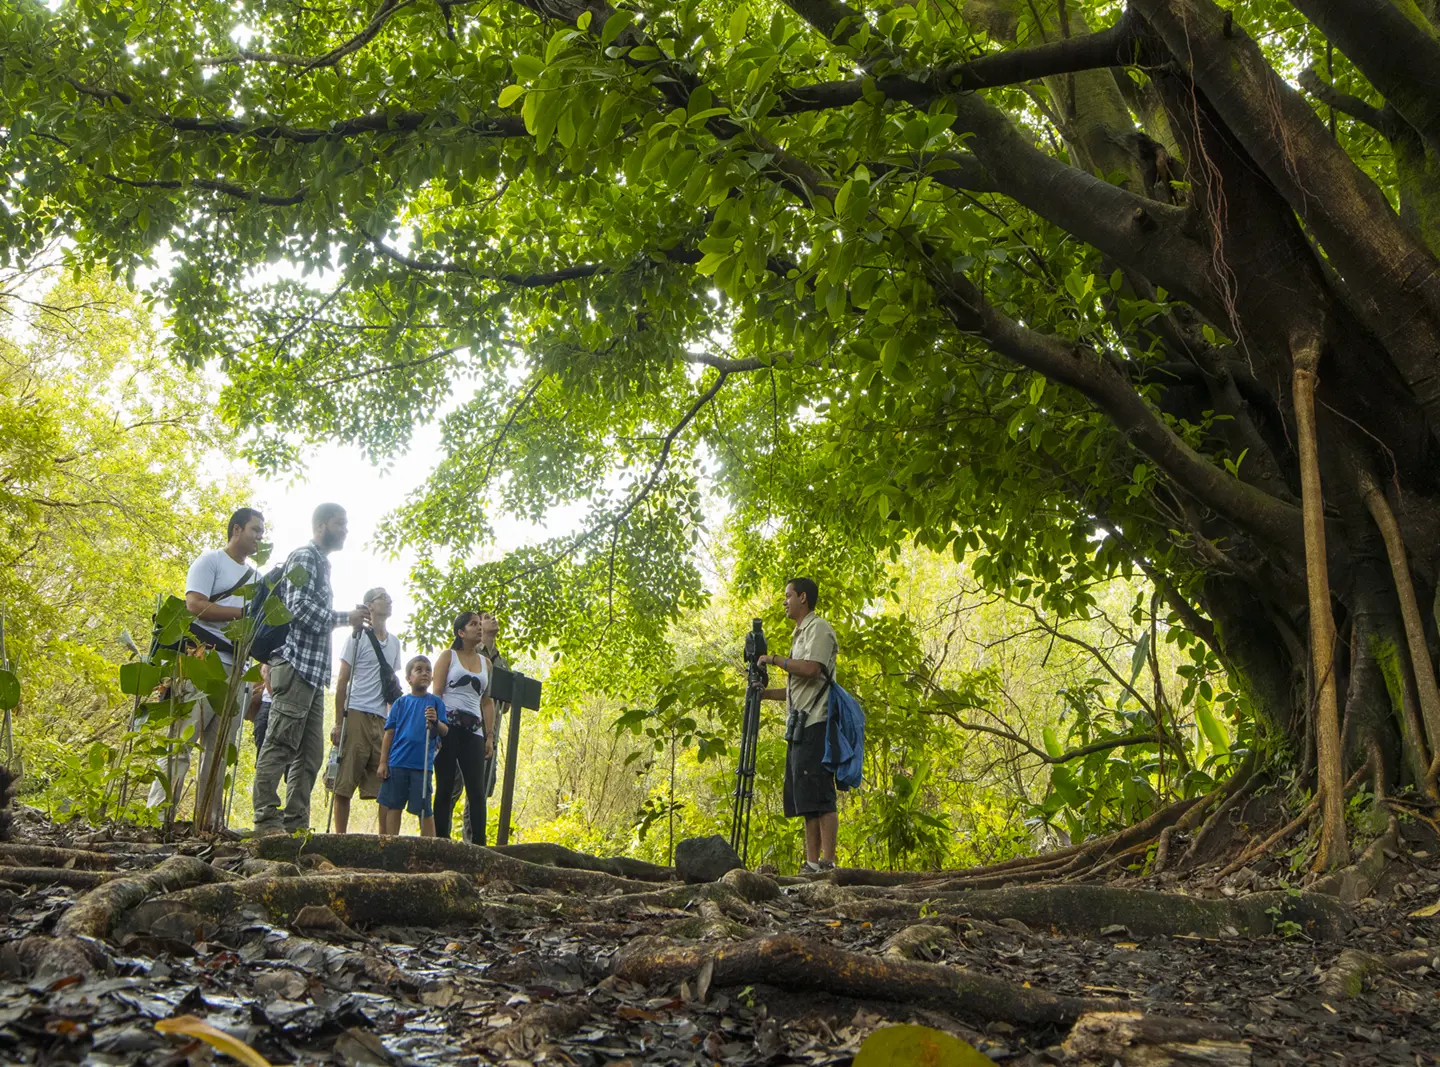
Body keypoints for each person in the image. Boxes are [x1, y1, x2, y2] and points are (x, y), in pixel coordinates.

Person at [251, 503, 369, 835]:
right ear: (321, 526)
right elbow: (298, 609)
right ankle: (266, 818)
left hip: (314, 675)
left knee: (310, 754)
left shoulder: (322, 564)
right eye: (339, 523)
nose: (345, 529)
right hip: (295, 666)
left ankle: (296, 823)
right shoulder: (304, 556)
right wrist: (347, 618)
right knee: (280, 743)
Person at [148, 507, 265, 831]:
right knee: (181, 743)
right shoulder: (210, 561)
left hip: (236, 671)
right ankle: (158, 820)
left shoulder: (257, 579)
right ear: (237, 529)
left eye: (263, 533)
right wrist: (241, 613)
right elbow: (195, 605)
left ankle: (209, 824)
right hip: (201, 662)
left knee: (218, 753)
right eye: (256, 530)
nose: (260, 537)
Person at [756, 577, 840, 873]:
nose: (784, 601)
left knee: (821, 793)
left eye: (788, 596)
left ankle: (828, 863)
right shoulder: (799, 633)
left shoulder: (818, 629)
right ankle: (811, 863)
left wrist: (775, 659)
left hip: (817, 722)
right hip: (801, 725)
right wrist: (765, 695)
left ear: (803, 597)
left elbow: (811, 669)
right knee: (806, 798)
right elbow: (796, 688)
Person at [331, 587, 402, 833]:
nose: (389, 601)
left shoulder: (394, 643)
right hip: (357, 711)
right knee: (345, 780)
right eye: (384, 597)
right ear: (369, 605)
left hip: (381, 718)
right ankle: (339, 837)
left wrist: (394, 725)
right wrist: (339, 722)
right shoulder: (357, 637)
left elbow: (391, 686)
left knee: (382, 781)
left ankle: (384, 839)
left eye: (389, 597)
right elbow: (342, 682)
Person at [432, 611, 496, 843]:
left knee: (477, 791)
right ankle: (441, 842)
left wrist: (489, 736)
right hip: (448, 728)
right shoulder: (448, 657)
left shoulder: (486, 663)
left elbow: (487, 702)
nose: (479, 628)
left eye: (480, 624)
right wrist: (435, 727)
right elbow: (437, 694)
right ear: (461, 632)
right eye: (473, 624)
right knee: (445, 786)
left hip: (474, 732)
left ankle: (480, 846)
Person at [376, 656, 448, 836]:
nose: (424, 673)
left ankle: (429, 849)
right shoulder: (400, 703)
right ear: (409, 678)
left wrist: (435, 721)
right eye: (419, 669)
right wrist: (383, 762)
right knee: (394, 806)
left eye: (428, 670)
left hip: (422, 766)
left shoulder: (436, 703)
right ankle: (392, 845)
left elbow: (444, 730)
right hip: (398, 762)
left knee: (425, 809)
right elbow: (389, 733)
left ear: (432, 678)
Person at [455, 611, 507, 844]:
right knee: (454, 786)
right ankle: (441, 841)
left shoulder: (502, 662)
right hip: (463, 730)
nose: (492, 619)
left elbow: (504, 706)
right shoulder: (468, 655)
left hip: (489, 735)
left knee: (480, 791)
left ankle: (473, 844)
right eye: (485, 618)